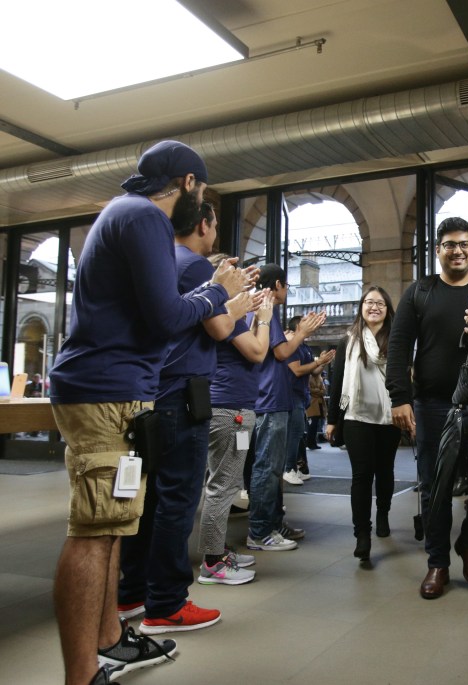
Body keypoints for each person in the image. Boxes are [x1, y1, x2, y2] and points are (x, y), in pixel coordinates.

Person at [47, 140, 252, 685]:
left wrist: (211, 298)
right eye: (202, 190)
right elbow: (166, 316)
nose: (202, 202)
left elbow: (154, 315)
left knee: (113, 526)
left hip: (120, 390)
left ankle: (110, 639)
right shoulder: (142, 216)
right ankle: (81, 673)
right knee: (93, 531)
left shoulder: (132, 217)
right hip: (103, 391)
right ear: (188, 183)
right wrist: (216, 291)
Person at [118, 202, 253, 635]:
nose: (215, 232)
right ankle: (167, 605)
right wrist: (240, 301)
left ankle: (134, 593)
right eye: (215, 224)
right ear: (204, 225)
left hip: (152, 393)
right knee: (177, 501)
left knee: (152, 500)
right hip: (183, 394)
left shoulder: (162, 261)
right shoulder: (195, 266)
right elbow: (218, 329)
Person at [386, 217, 468, 599]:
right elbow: (397, 348)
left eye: (463, 244)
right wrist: (399, 397)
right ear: (438, 250)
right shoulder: (420, 292)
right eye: (449, 244)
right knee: (435, 487)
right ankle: (437, 562)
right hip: (432, 406)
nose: (457, 250)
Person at [195, 253, 276, 587]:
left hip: (236, 407)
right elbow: (258, 352)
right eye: (237, 275)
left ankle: (218, 550)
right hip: (229, 409)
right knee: (223, 485)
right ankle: (213, 563)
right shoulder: (224, 315)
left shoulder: (232, 315)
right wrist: (265, 318)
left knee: (225, 482)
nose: (245, 281)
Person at [246, 265, 325, 552]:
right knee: (267, 467)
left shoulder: (265, 308)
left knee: (274, 467)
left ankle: (274, 523)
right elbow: (281, 352)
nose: (286, 291)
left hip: (273, 397)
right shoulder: (265, 308)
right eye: (286, 286)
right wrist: (302, 332)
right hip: (269, 398)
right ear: (277, 284)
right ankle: (259, 531)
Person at [327, 286, 401, 561]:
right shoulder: (349, 340)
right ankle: (362, 534)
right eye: (369, 302)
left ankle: (383, 511)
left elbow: (405, 377)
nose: (374, 307)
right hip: (356, 415)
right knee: (361, 476)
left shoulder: (396, 338)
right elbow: (337, 381)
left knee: (385, 470)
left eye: (380, 303)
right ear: (361, 306)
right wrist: (332, 419)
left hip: (389, 416)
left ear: (387, 309)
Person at [281, 316, 334, 486]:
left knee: (298, 434)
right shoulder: (293, 344)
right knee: (294, 434)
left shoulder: (304, 346)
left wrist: (323, 362)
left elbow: (314, 371)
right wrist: (318, 361)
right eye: (305, 322)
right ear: (298, 326)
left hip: (301, 396)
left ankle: (294, 467)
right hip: (292, 394)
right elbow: (296, 370)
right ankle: (288, 469)